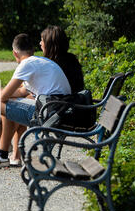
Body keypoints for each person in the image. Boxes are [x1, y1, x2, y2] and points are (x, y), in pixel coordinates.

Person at [0, 33, 72, 169]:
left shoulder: (26, 64)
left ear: (15, 53)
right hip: (57, 110)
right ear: (33, 51)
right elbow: (19, 93)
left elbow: (4, 96)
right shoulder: (41, 62)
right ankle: (3, 155)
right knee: (11, 101)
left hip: (49, 114)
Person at [5, 26, 85, 165]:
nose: (40, 43)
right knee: (18, 100)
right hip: (67, 107)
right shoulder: (70, 60)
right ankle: (12, 153)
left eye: (42, 40)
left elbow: (35, 91)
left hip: (58, 110)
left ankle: (7, 152)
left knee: (13, 102)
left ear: (49, 43)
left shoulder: (52, 64)